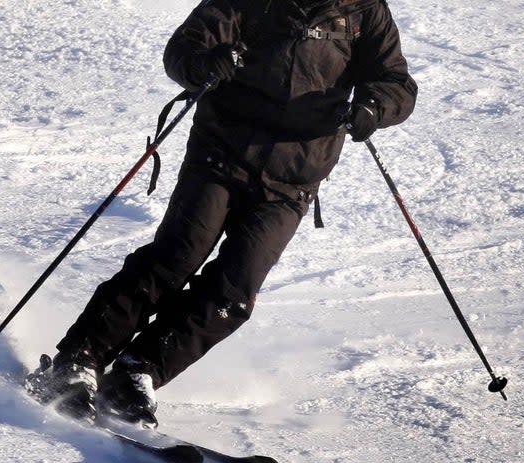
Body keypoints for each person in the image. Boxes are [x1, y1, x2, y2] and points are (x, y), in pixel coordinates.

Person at [26, 0, 417, 428]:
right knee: (176, 256)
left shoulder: (363, 11)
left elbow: (395, 81)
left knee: (233, 293)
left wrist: (373, 108)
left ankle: (138, 372)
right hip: (221, 155)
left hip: (293, 178)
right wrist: (207, 63)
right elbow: (182, 50)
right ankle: (80, 360)